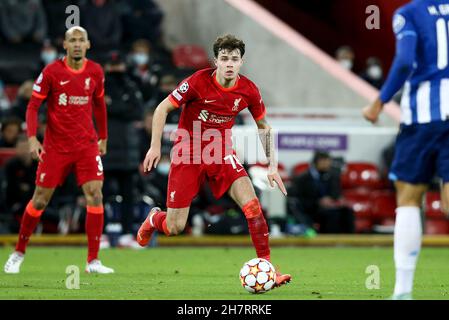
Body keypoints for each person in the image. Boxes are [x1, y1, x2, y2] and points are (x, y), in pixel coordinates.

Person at [136, 34, 291, 287]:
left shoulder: (248, 90)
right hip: (188, 153)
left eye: (235, 59)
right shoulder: (197, 82)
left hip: (220, 153)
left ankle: (269, 270)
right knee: (175, 227)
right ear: (216, 61)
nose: (229, 63)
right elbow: (163, 108)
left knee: (252, 207)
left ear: (241, 62)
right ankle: (154, 219)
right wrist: (155, 147)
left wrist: (272, 165)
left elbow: (264, 126)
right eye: (224, 58)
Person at [3, 26, 114, 274]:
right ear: (64, 45)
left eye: (80, 40)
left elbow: (99, 106)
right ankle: (19, 252)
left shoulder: (95, 71)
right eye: (71, 40)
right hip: (56, 147)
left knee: (95, 194)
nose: (76, 44)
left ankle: (93, 261)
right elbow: (33, 106)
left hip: (86, 145)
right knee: (40, 200)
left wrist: (103, 137)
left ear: (88, 45)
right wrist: (32, 138)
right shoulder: (52, 71)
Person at [362, 0, 449, 299]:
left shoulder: (409, 13)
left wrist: (379, 101)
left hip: (425, 118)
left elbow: (403, 61)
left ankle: (402, 291)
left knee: (409, 197)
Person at [102, 51, 144, 248]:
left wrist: (113, 107)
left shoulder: (131, 85)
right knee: (100, 194)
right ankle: (100, 235)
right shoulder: (100, 87)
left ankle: (127, 234)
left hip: (128, 150)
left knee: (129, 195)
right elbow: (99, 109)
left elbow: (137, 111)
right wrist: (121, 107)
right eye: (113, 65)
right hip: (106, 149)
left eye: (119, 64)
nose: (116, 69)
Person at [288, 150, 354, 234]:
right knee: (331, 214)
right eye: (326, 161)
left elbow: (337, 193)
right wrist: (319, 202)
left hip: (331, 206)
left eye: (329, 161)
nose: (328, 163)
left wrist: (336, 200)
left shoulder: (333, 175)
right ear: (318, 162)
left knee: (348, 211)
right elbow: (300, 200)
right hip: (313, 209)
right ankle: (329, 240)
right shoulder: (303, 179)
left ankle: (350, 240)